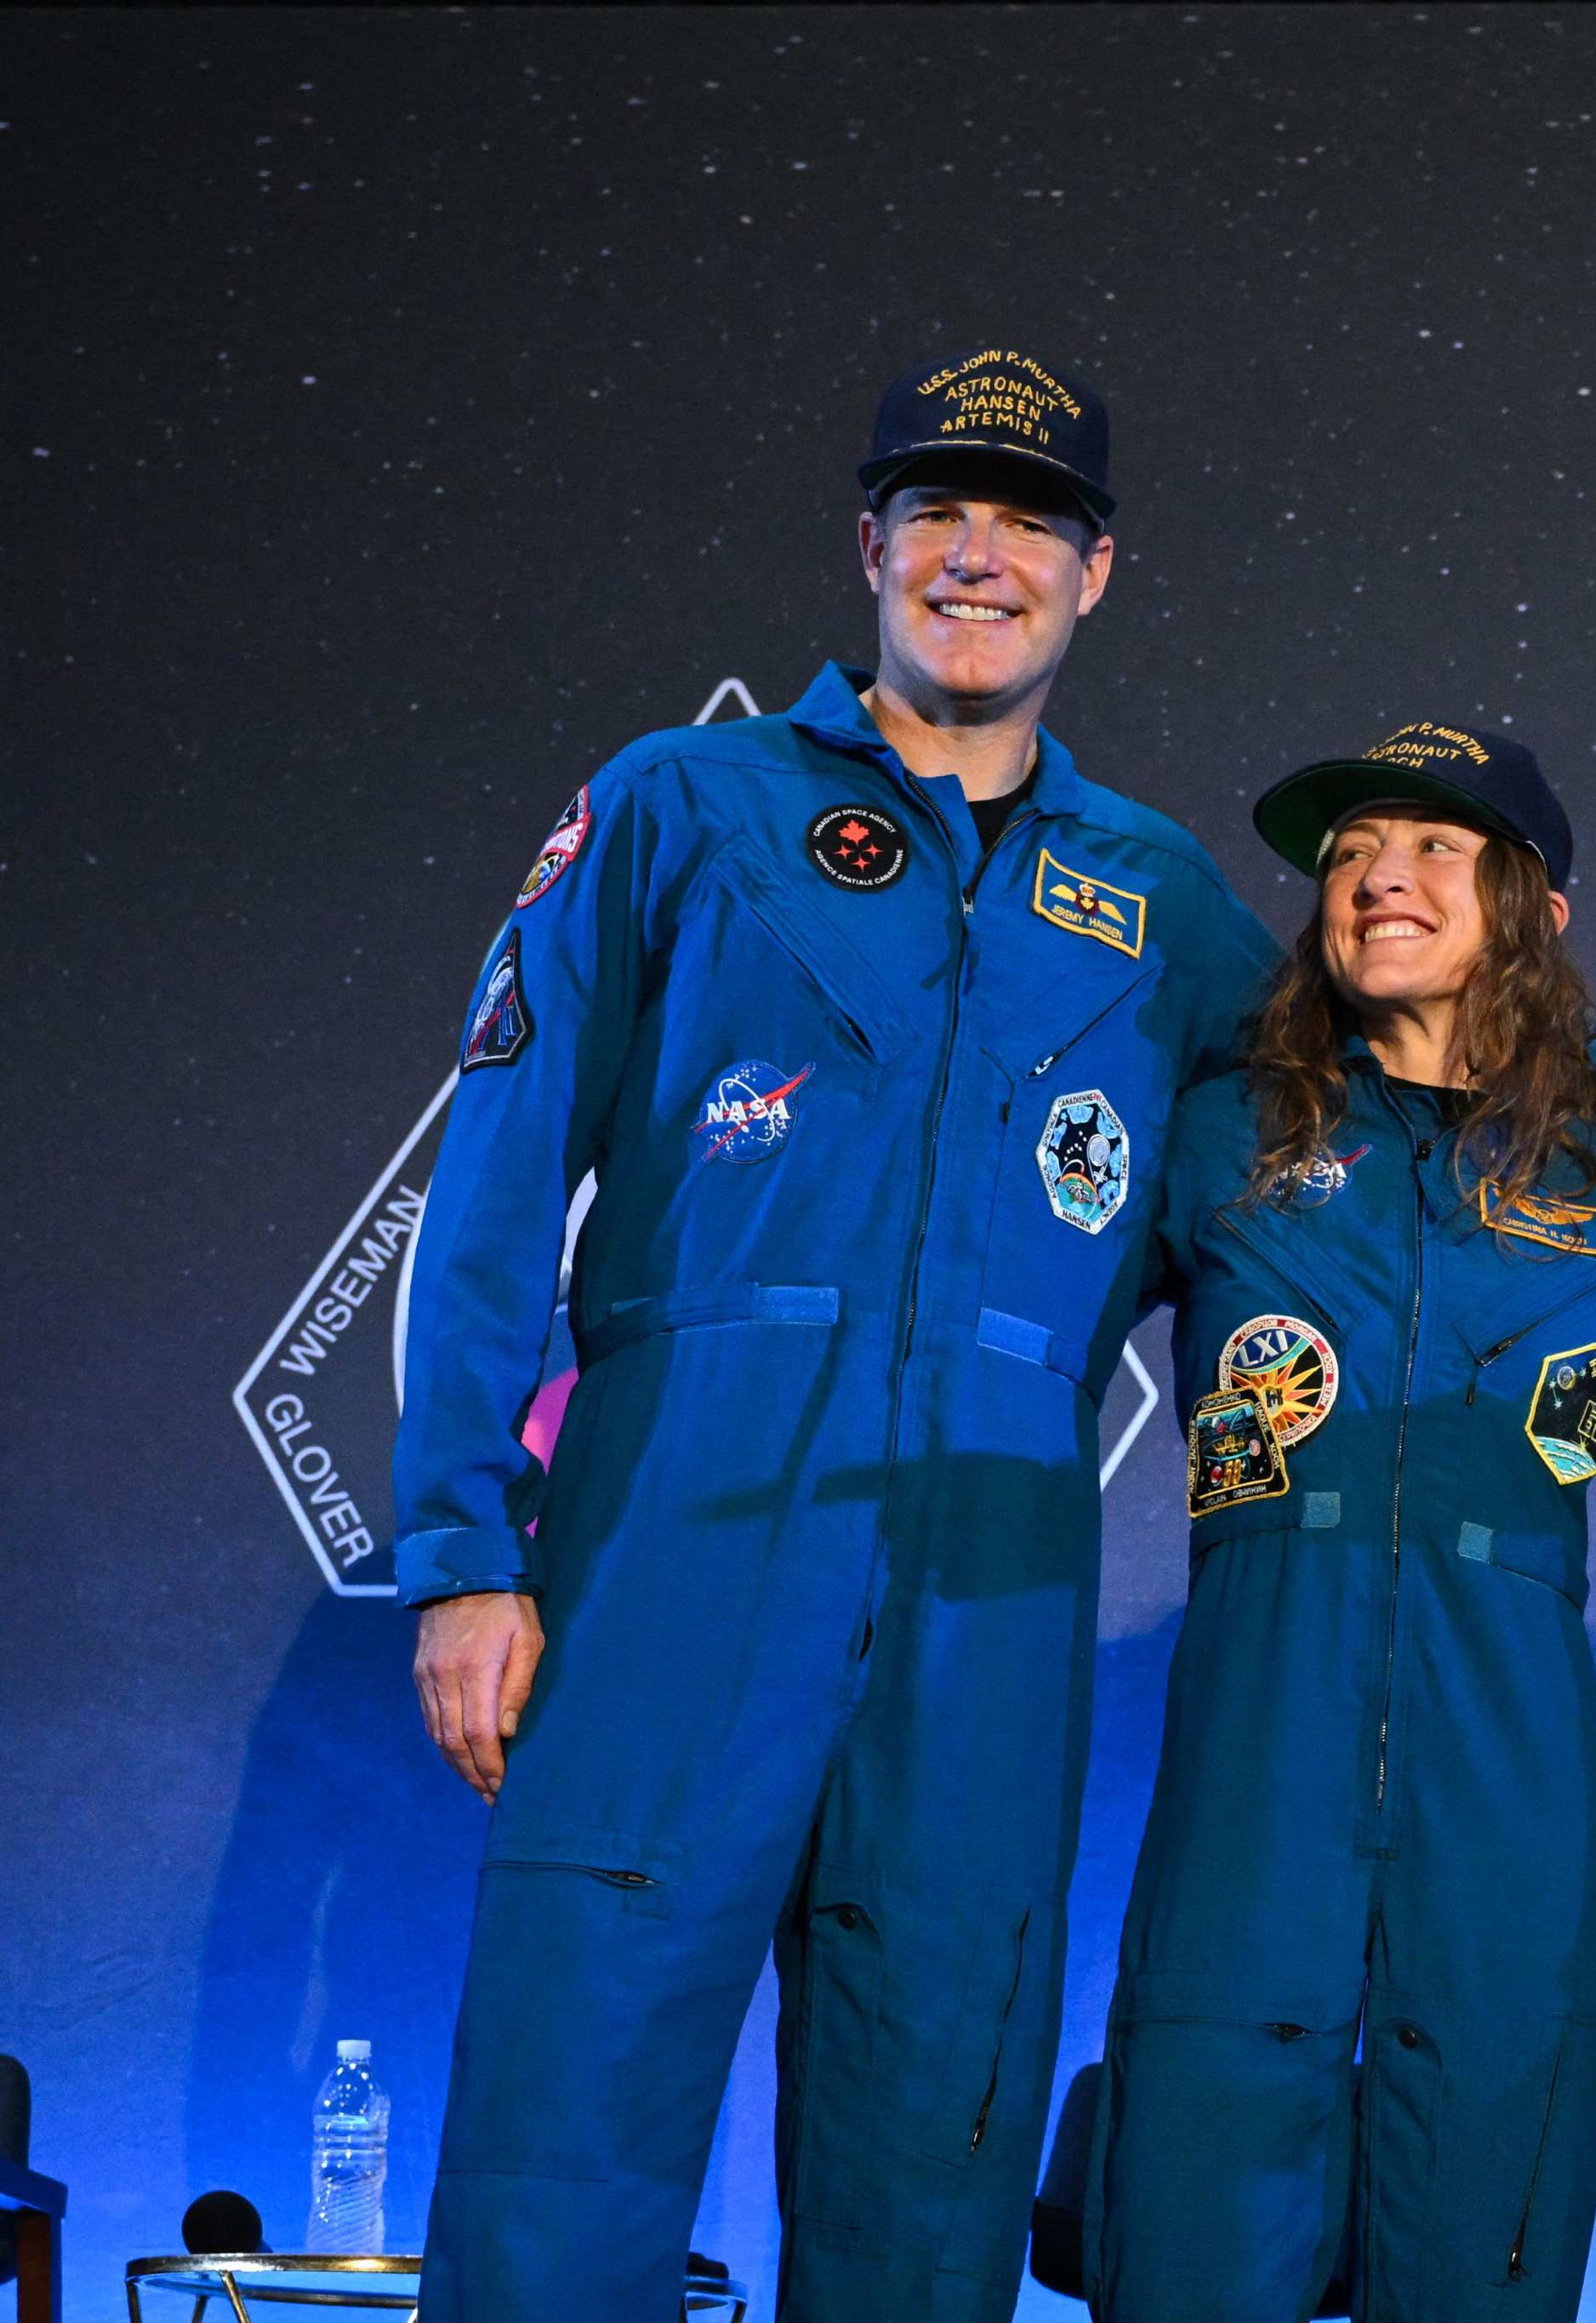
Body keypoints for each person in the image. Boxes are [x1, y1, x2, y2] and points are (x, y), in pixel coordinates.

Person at [393, 348, 1280, 2319]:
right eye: (941, 512)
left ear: (1097, 570)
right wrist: (462, 1555)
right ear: (869, 543)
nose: (982, 555)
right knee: (570, 2133)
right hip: (679, 1534)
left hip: (991, 1566)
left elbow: (1330, 1160)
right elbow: (495, 1180)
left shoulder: (1163, 899)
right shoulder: (682, 802)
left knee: (931, 2153)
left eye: (1030, 519)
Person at [1086, 722, 1596, 2321]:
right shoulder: (1219, 1134)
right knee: (1196, 2220)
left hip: (1514, 1757)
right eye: (1351, 851)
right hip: (1258, 1749)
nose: (1377, 877)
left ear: (1535, 906)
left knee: (1489, 2210)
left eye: (1433, 845)